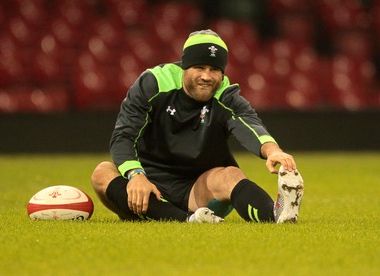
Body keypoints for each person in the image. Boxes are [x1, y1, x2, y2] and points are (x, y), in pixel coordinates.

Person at [91, 29, 304, 223]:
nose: (206, 76)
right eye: (199, 67)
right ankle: (185, 220)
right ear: (184, 66)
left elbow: (247, 120)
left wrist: (272, 150)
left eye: (214, 69)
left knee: (231, 175)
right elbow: (123, 136)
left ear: (222, 73)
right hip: (147, 177)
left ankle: (277, 214)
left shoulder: (224, 93)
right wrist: (135, 175)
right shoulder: (153, 83)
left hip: (197, 187)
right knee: (102, 173)